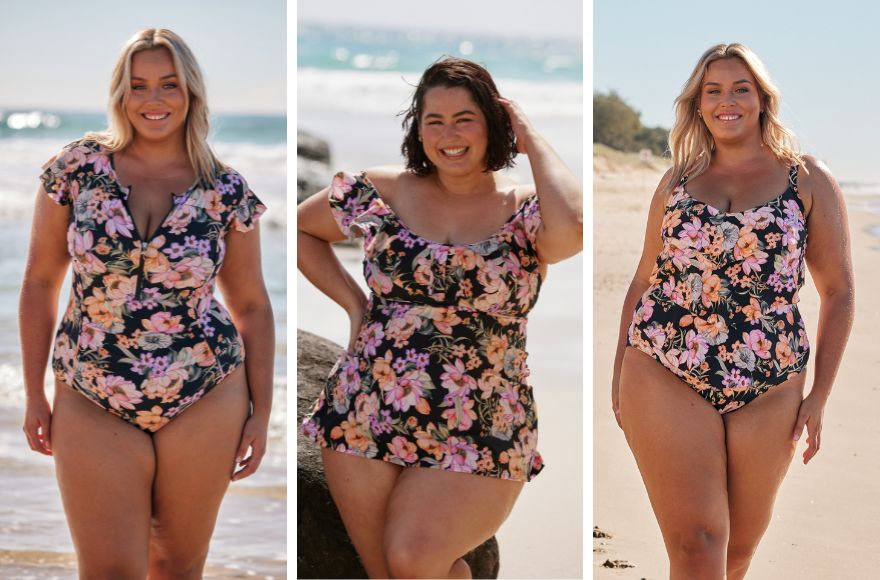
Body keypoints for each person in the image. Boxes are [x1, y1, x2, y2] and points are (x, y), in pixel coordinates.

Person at [298, 56, 581, 578]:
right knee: (389, 571)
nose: (449, 134)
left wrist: (530, 134)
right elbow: (302, 231)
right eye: (434, 121)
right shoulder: (384, 190)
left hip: (483, 420)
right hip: (366, 406)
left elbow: (576, 227)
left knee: (414, 556)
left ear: (495, 125)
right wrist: (355, 306)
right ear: (418, 130)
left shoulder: (527, 210)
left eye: (465, 118)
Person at [19, 28, 274, 578]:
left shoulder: (225, 189)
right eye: (138, 86)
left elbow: (252, 305)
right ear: (120, 94)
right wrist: (35, 393)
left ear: (191, 93)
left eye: (168, 85)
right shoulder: (77, 168)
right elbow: (40, 281)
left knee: (177, 567)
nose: (153, 101)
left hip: (204, 391)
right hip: (91, 388)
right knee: (109, 570)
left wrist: (263, 413)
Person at [612, 43, 854, 579]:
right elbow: (642, 278)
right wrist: (619, 371)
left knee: (737, 552)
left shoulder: (806, 180)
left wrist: (819, 396)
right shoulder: (677, 181)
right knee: (699, 546)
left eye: (741, 89)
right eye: (713, 91)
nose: (727, 101)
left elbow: (838, 291)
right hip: (665, 366)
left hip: (770, 382)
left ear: (762, 100)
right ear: (697, 104)